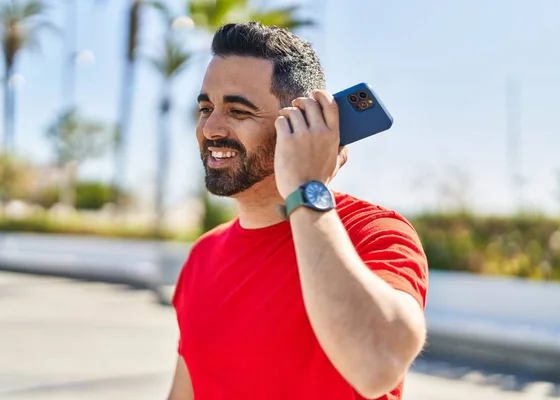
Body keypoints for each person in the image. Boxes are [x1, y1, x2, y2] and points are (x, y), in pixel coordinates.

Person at [168, 21, 429, 400]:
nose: (210, 127)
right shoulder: (202, 256)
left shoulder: (375, 232)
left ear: (301, 124)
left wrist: (308, 190)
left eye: (238, 111)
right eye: (206, 107)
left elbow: (376, 367)